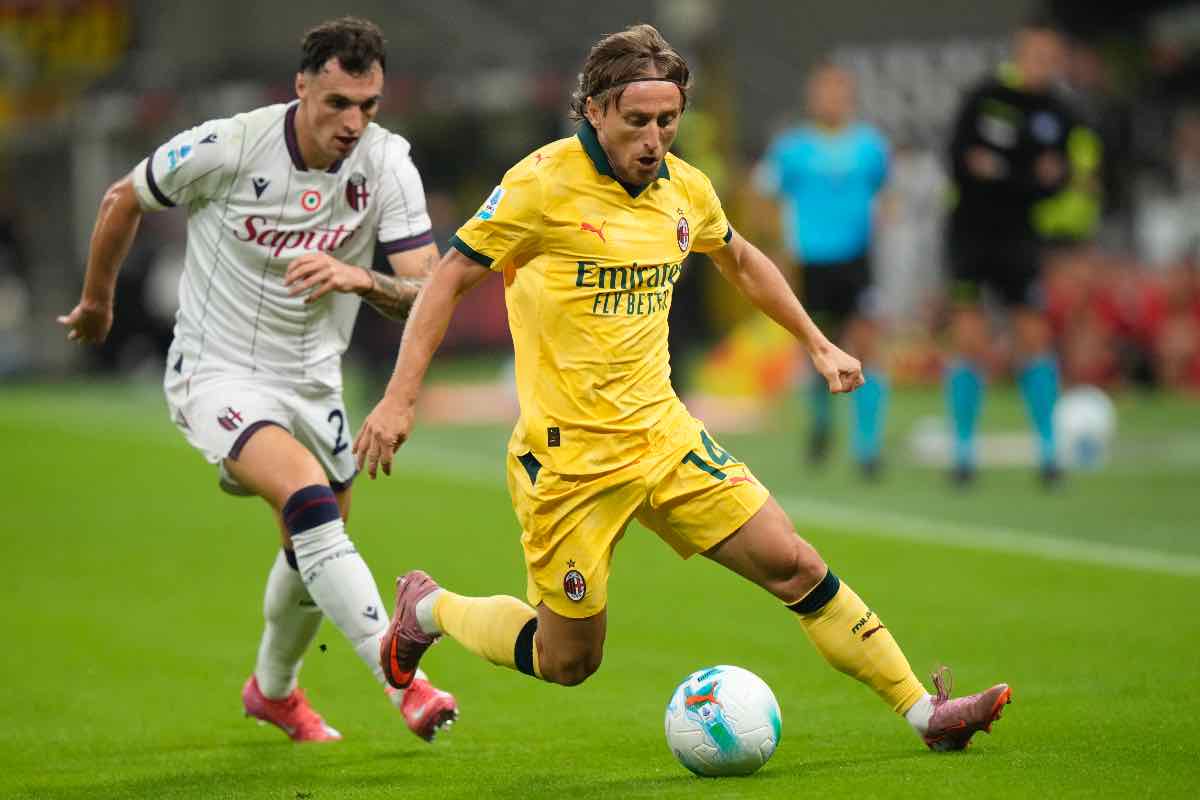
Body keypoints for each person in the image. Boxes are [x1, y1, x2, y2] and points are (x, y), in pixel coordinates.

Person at [355, 24, 1010, 752]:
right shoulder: (538, 185)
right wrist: (400, 396)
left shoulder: (685, 189)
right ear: (596, 111)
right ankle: (430, 609)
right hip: (570, 461)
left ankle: (926, 713)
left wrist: (818, 343)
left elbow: (741, 259)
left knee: (796, 565)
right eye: (637, 121)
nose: (655, 137)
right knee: (568, 661)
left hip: (666, 438)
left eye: (668, 121)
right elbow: (449, 277)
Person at [58, 17, 458, 743]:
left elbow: (428, 290)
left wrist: (354, 275)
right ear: (300, 86)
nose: (352, 122)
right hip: (218, 370)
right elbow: (123, 198)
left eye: (367, 105)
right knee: (308, 501)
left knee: (310, 544)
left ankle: (273, 692)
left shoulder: (387, 164)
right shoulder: (230, 145)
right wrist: (98, 302)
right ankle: (406, 682)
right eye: (337, 101)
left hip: (314, 379)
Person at [944, 19, 1087, 486]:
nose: (1041, 65)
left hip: (1019, 238)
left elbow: (1058, 179)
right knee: (969, 339)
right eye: (1034, 55)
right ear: (1019, 54)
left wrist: (1001, 171)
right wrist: (1023, 175)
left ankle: (1049, 450)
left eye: (1049, 57)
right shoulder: (985, 97)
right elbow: (959, 160)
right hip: (969, 234)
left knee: (1033, 337)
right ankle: (964, 452)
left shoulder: (1060, 112)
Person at [756, 62, 890, 477]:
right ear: (813, 98)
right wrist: (780, 250)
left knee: (865, 345)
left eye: (838, 91)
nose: (831, 99)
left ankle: (867, 447)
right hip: (810, 261)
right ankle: (819, 423)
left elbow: (886, 194)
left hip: (857, 260)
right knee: (814, 348)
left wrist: (876, 233)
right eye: (823, 91)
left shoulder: (870, 146)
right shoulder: (792, 148)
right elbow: (766, 197)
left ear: (848, 96)